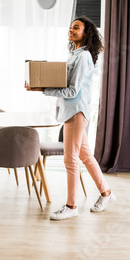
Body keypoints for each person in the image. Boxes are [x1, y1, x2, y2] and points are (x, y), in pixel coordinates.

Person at [25, 16, 115, 221]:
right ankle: (106, 193)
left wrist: (43, 88)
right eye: (71, 27)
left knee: (70, 160)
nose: (71, 30)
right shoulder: (75, 55)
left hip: (76, 112)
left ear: (86, 33)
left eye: (77, 27)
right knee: (85, 156)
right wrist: (40, 85)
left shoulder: (83, 57)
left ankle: (71, 205)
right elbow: (64, 82)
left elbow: (73, 90)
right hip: (72, 112)